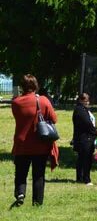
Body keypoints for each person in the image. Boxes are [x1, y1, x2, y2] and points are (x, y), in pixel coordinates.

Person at [12, 74, 59, 207]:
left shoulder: (16, 103)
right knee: (38, 174)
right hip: (40, 143)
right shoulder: (43, 100)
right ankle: (37, 202)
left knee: (21, 172)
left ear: (22, 86)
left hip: (22, 144)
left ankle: (20, 194)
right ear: (35, 86)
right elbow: (54, 119)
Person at [72, 92, 97, 185]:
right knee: (86, 159)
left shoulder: (84, 109)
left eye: (87, 100)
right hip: (85, 138)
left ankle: (80, 177)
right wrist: (95, 132)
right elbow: (87, 123)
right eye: (84, 100)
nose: (87, 102)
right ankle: (86, 179)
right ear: (80, 100)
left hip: (86, 138)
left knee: (82, 158)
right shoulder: (80, 110)